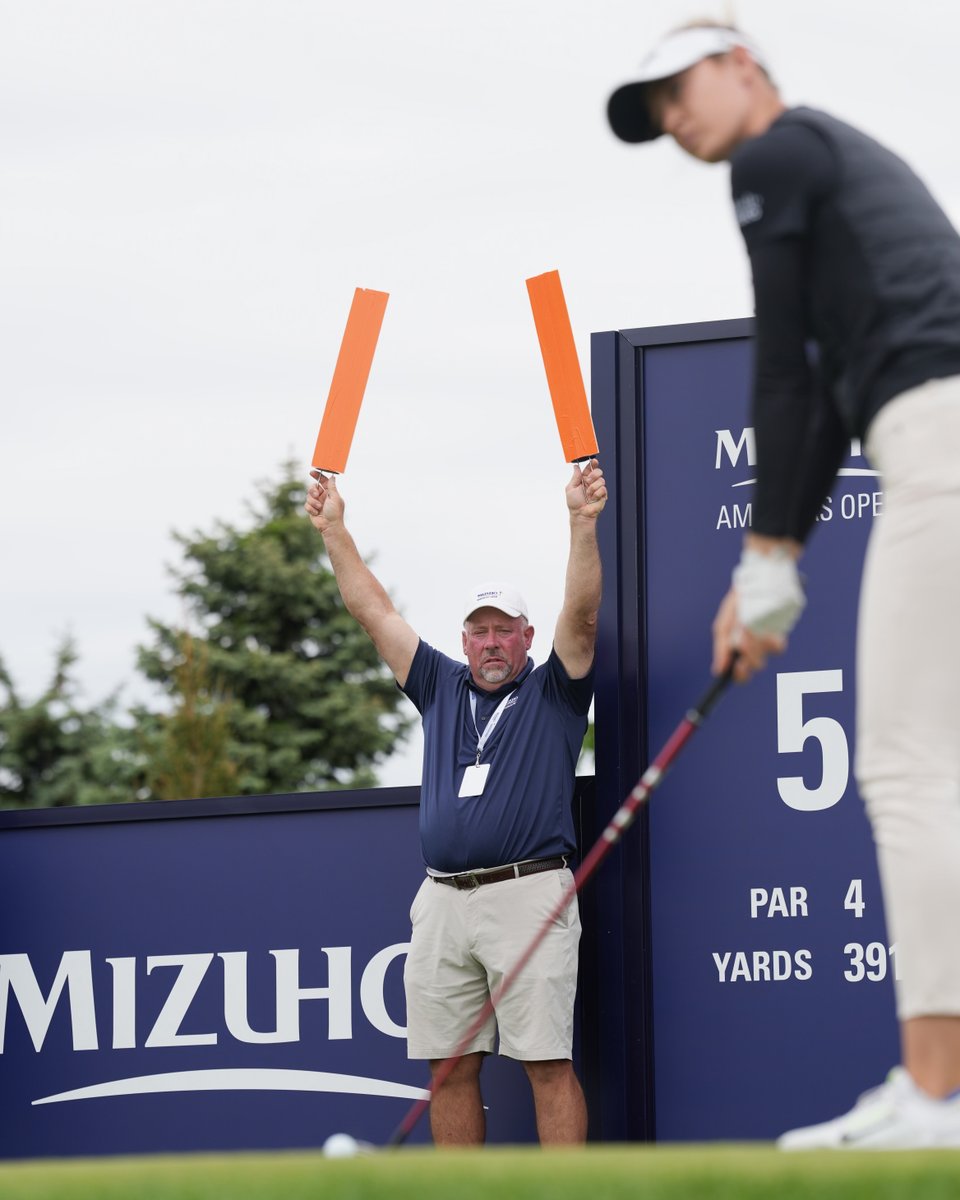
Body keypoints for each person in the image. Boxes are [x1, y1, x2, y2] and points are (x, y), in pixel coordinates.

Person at [607, 22, 960, 1149]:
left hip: (942, 442)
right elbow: (817, 399)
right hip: (925, 429)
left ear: (744, 63)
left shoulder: (776, 156)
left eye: (679, 88)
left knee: (907, 768)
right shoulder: (828, 162)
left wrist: (763, 563)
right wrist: (775, 563)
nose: (674, 118)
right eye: (653, 108)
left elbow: (780, 371)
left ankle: (935, 1097)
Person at [304, 459, 607, 1145]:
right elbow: (372, 610)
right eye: (479, 629)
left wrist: (580, 522)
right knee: (448, 1068)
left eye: (505, 629)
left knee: (546, 1064)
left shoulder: (555, 690)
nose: (491, 642)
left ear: (527, 637)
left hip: (529, 891)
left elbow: (582, 615)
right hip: (443, 899)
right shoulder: (440, 685)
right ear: (464, 637)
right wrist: (334, 531)